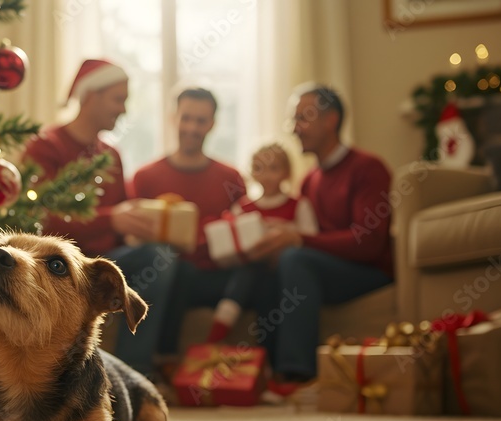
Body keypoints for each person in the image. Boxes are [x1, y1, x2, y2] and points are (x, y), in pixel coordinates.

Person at [22, 59, 175, 377]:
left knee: (162, 257)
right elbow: (38, 218)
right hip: (57, 263)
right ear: (90, 96)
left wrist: (143, 224)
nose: (123, 110)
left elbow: (123, 213)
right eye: (118, 99)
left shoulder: (112, 155)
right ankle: (136, 369)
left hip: (105, 261)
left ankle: (137, 370)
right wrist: (112, 220)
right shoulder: (44, 147)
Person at [248, 84, 393, 392]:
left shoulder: (368, 168)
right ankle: (263, 372)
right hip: (321, 269)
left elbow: (368, 243)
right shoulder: (310, 180)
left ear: (330, 120)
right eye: (293, 119)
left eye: (303, 118)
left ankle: (297, 374)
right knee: (270, 263)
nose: (294, 128)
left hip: (368, 271)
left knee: (295, 257)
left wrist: (297, 239)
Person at [130, 87, 246, 358]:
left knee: (257, 274)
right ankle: (165, 358)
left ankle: (269, 371)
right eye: (187, 118)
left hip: (218, 277)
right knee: (180, 270)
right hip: (171, 276)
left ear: (213, 124)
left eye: (201, 120)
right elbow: (132, 241)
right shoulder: (145, 177)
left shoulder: (231, 178)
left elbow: (242, 231)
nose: (192, 128)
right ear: (174, 119)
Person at [206, 143, 318, 343]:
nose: (266, 174)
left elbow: (310, 240)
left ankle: (222, 326)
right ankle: (227, 331)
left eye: (274, 168)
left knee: (262, 281)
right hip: (252, 270)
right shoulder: (242, 207)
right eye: (259, 168)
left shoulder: (299, 205)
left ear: (286, 172)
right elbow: (231, 240)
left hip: (282, 272)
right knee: (253, 276)